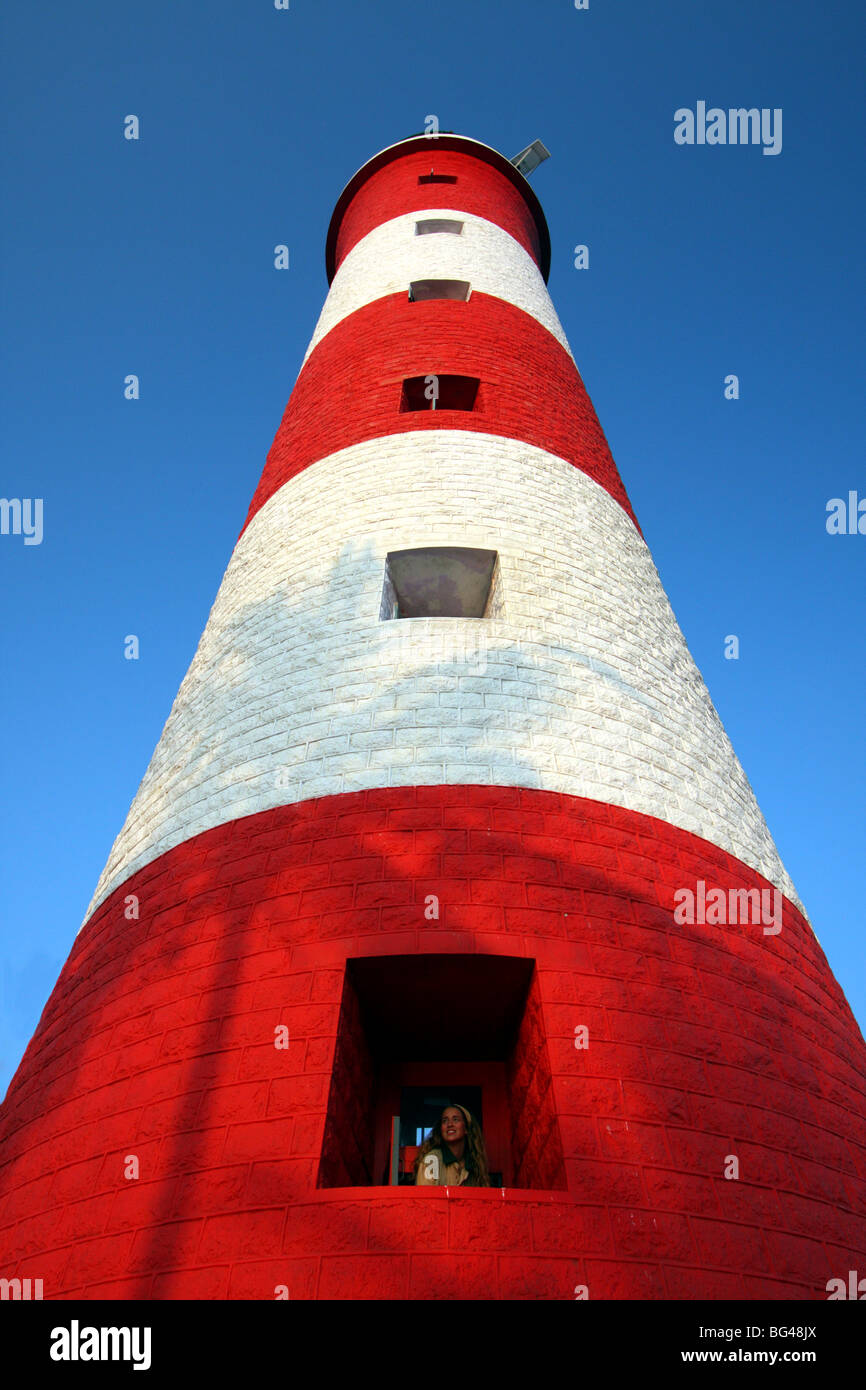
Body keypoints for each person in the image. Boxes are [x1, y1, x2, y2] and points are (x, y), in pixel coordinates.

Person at [413, 1103, 491, 1186]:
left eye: (455, 1119)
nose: (450, 1124)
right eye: (445, 1121)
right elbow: (425, 1197)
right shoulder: (432, 1160)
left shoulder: (474, 1161)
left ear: (466, 1129)